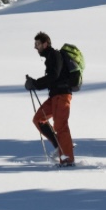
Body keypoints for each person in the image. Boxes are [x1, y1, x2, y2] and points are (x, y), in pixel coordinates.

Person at [25, 31, 75, 167]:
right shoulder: (50, 57)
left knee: (60, 126)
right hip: (54, 96)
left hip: (62, 95)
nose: (36, 47)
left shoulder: (55, 55)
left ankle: (67, 161)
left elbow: (54, 75)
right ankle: (59, 147)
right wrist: (34, 84)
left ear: (45, 44)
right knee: (38, 119)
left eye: (38, 44)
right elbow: (52, 79)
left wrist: (35, 83)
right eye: (35, 44)